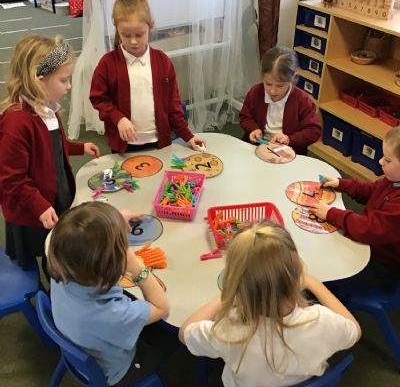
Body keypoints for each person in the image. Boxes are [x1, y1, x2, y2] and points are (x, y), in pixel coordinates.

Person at [179, 222, 361, 387]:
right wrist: (313, 283)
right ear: (298, 271)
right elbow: (354, 330)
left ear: (235, 283)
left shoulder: (228, 332)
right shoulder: (321, 320)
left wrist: (227, 296)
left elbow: (185, 332)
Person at [0, 35, 99, 270]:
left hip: (54, 193)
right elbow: (11, 179)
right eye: (64, 80)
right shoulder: (16, 123)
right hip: (31, 208)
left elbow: (53, 145)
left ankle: (56, 275)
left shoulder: (47, 109)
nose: (69, 86)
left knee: (57, 247)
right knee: (40, 252)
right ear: (39, 80)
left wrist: (80, 147)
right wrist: (39, 206)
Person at [48, 202, 174, 386]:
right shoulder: (112, 314)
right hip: (121, 369)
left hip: (84, 341)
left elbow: (80, 235)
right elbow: (161, 307)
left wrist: (111, 223)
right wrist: (137, 267)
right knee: (172, 337)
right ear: (113, 265)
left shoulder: (65, 265)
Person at [90, 0, 205, 153]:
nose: (133, 41)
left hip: (159, 142)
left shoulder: (163, 61)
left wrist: (188, 136)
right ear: (117, 30)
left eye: (139, 34)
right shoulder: (107, 63)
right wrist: (118, 118)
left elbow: (173, 105)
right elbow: (98, 98)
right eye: (126, 35)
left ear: (150, 28)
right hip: (124, 144)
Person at [309, 126, 400, 279]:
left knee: (326, 267)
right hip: (367, 245)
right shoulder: (393, 180)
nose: (380, 161)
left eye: (388, 160)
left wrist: (331, 213)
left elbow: (370, 229)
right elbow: (371, 191)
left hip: (380, 263)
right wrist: (341, 184)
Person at [239, 46, 321, 155]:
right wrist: (254, 129)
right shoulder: (255, 92)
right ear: (262, 77)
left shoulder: (303, 100)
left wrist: (289, 139)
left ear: (293, 78)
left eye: (280, 86)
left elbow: (314, 131)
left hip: (288, 151)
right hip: (256, 146)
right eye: (268, 84)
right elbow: (245, 117)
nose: (272, 91)